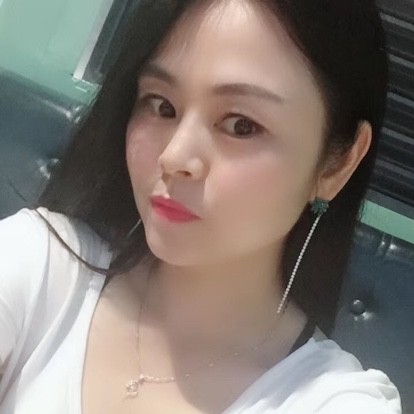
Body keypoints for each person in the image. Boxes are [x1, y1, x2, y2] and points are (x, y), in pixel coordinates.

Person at [0, 0, 402, 412]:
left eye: (241, 125)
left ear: (337, 164)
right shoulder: (40, 267)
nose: (174, 157)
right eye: (162, 106)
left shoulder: (332, 400)